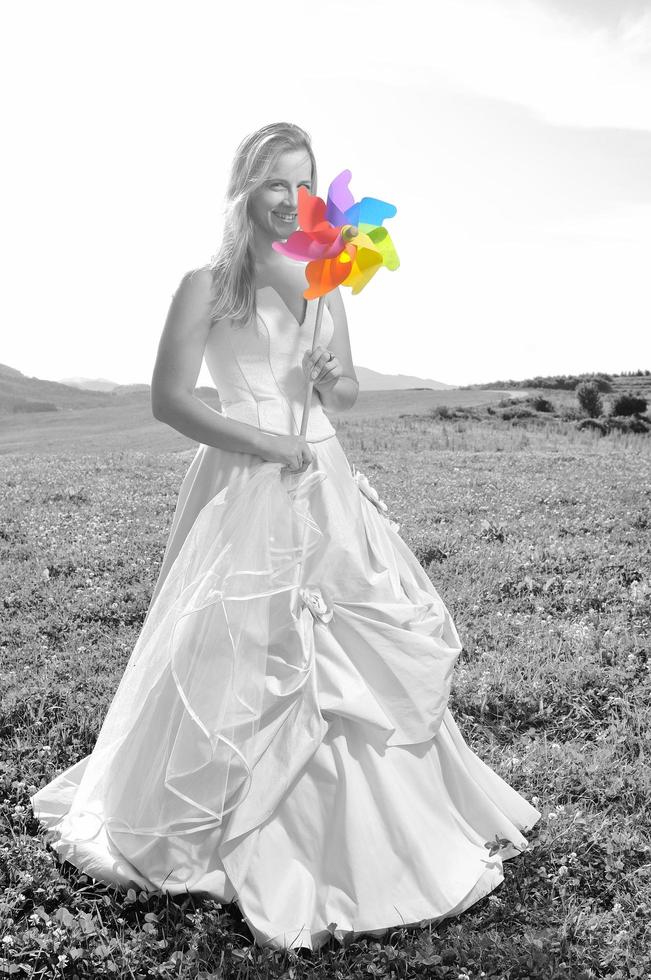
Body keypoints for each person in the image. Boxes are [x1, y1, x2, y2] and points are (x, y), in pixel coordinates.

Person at [30, 121, 541, 951]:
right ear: (244, 187)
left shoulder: (324, 275)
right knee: (243, 639)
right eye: (274, 183)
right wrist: (267, 440)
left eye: (302, 186)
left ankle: (380, 836)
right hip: (245, 474)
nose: (289, 201)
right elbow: (168, 400)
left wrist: (330, 379)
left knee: (345, 645)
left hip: (325, 477)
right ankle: (216, 815)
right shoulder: (206, 283)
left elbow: (342, 397)